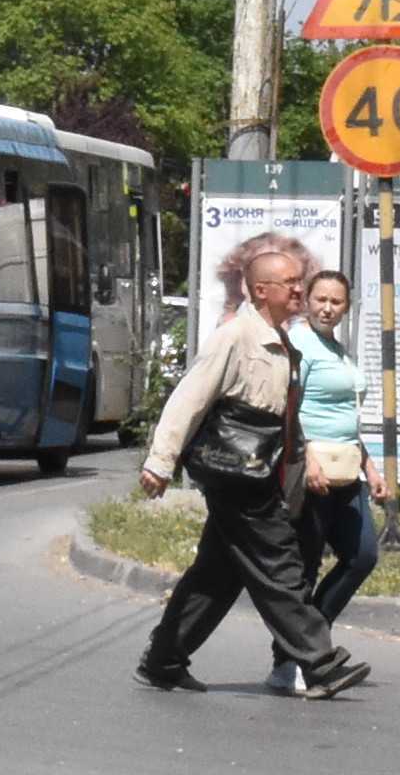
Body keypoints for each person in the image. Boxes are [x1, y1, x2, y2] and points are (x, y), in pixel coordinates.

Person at [135, 231, 365, 701]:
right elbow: (189, 399)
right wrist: (160, 462)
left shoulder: (283, 341)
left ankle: (163, 661)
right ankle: (319, 663)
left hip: (261, 469)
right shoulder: (235, 337)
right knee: (280, 565)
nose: (300, 291)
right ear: (261, 290)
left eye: (301, 282)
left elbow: (285, 418)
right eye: (291, 284)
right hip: (235, 473)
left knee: (217, 574)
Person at [293, 269, 382, 623]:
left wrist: (371, 469)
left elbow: (346, 417)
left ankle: (312, 635)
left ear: (346, 307)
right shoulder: (299, 345)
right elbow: (286, 412)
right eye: (321, 300)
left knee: (363, 556)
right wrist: (307, 461)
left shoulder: (338, 350)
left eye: (336, 301)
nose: (328, 308)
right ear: (307, 302)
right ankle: (291, 660)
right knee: (306, 565)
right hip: (314, 472)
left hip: (347, 468)